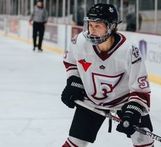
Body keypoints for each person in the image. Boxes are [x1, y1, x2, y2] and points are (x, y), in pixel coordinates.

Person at [61, 3, 154, 147]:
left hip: (124, 102)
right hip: (91, 100)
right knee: (75, 142)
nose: (92, 30)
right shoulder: (79, 41)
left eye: (97, 26)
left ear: (111, 27)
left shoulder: (129, 51)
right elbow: (71, 62)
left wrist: (133, 110)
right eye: (90, 25)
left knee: (143, 140)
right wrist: (74, 82)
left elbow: (140, 88)